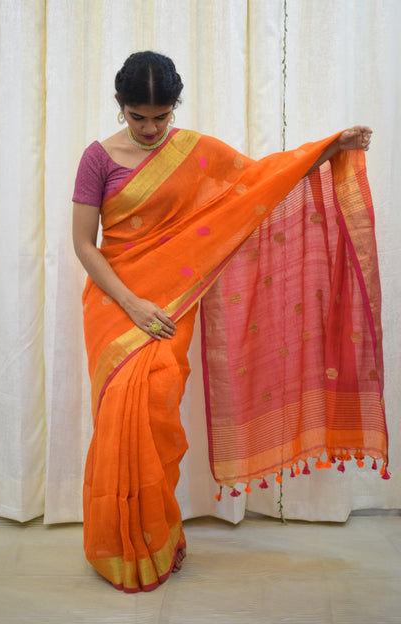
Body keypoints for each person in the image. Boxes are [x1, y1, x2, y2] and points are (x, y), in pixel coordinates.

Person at [73, 51, 385, 593]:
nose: (149, 128)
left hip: (173, 299)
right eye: (137, 116)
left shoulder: (196, 151)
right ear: (119, 106)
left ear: (175, 107)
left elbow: (259, 182)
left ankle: (157, 537)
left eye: (161, 117)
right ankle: (118, 544)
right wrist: (132, 305)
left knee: (156, 411)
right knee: (121, 414)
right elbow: (84, 244)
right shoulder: (97, 159)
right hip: (115, 299)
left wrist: (328, 149)